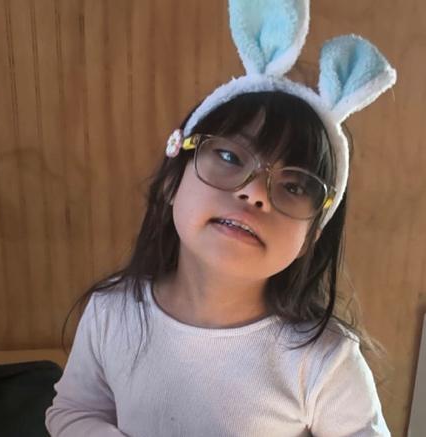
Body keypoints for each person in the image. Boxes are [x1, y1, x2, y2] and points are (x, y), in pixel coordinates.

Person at [46, 1, 396, 436]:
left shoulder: (325, 359)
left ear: (312, 236)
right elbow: (74, 411)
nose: (255, 193)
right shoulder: (111, 313)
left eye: (293, 186)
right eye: (230, 157)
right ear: (173, 179)